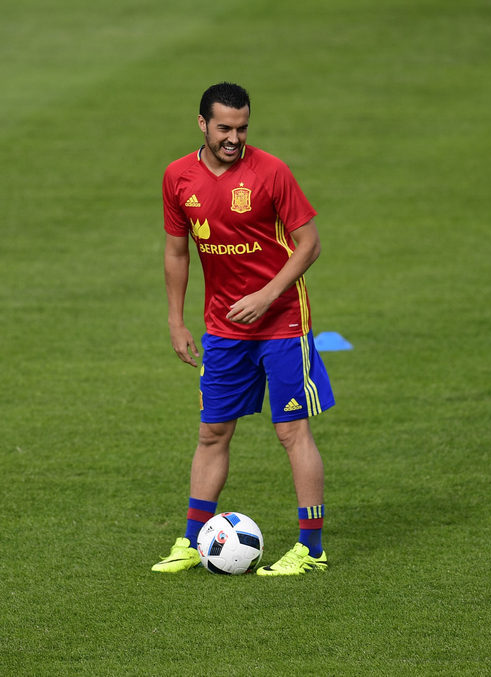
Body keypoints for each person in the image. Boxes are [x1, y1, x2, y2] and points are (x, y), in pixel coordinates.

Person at [153, 82, 334, 576]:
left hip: (282, 322)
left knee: (291, 429)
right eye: (225, 128)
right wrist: (175, 319)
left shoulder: (271, 171)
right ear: (203, 125)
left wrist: (266, 295)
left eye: (242, 128)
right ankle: (192, 541)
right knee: (212, 431)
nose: (235, 138)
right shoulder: (177, 177)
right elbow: (176, 251)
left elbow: (309, 243)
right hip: (224, 329)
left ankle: (311, 550)